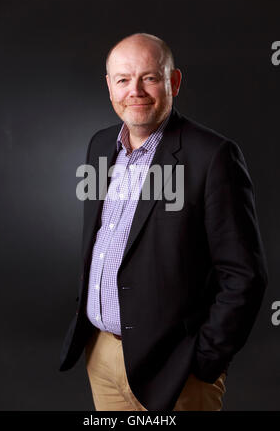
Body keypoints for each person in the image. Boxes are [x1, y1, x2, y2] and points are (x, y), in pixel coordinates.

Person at [59, 33, 268, 411]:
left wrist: (205, 360)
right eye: (123, 79)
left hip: (176, 369)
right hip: (102, 356)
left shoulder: (213, 156)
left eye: (150, 78)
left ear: (173, 82)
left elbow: (244, 274)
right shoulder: (100, 146)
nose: (135, 91)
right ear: (109, 86)